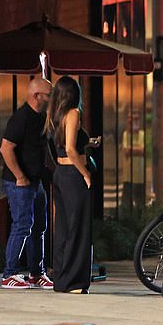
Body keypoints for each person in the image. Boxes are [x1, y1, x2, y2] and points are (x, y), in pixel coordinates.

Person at [0, 78, 54, 289]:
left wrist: (54, 170)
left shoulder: (40, 118)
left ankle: (36, 273)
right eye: (49, 94)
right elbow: (6, 148)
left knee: (39, 226)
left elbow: (43, 148)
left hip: (36, 180)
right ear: (36, 96)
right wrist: (20, 176)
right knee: (22, 225)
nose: (52, 98)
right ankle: (9, 274)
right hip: (19, 183)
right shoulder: (21, 118)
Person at [46, 76, 92, 294]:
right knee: (78, 228)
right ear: (75, 94)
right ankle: (74, 282)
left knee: (63, 229)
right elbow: (72, 149)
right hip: (73, 175)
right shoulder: (73, 113)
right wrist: (86, 174)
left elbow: (61, 147)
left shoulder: (54, 115)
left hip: (61, 173)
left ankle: (62, 280)